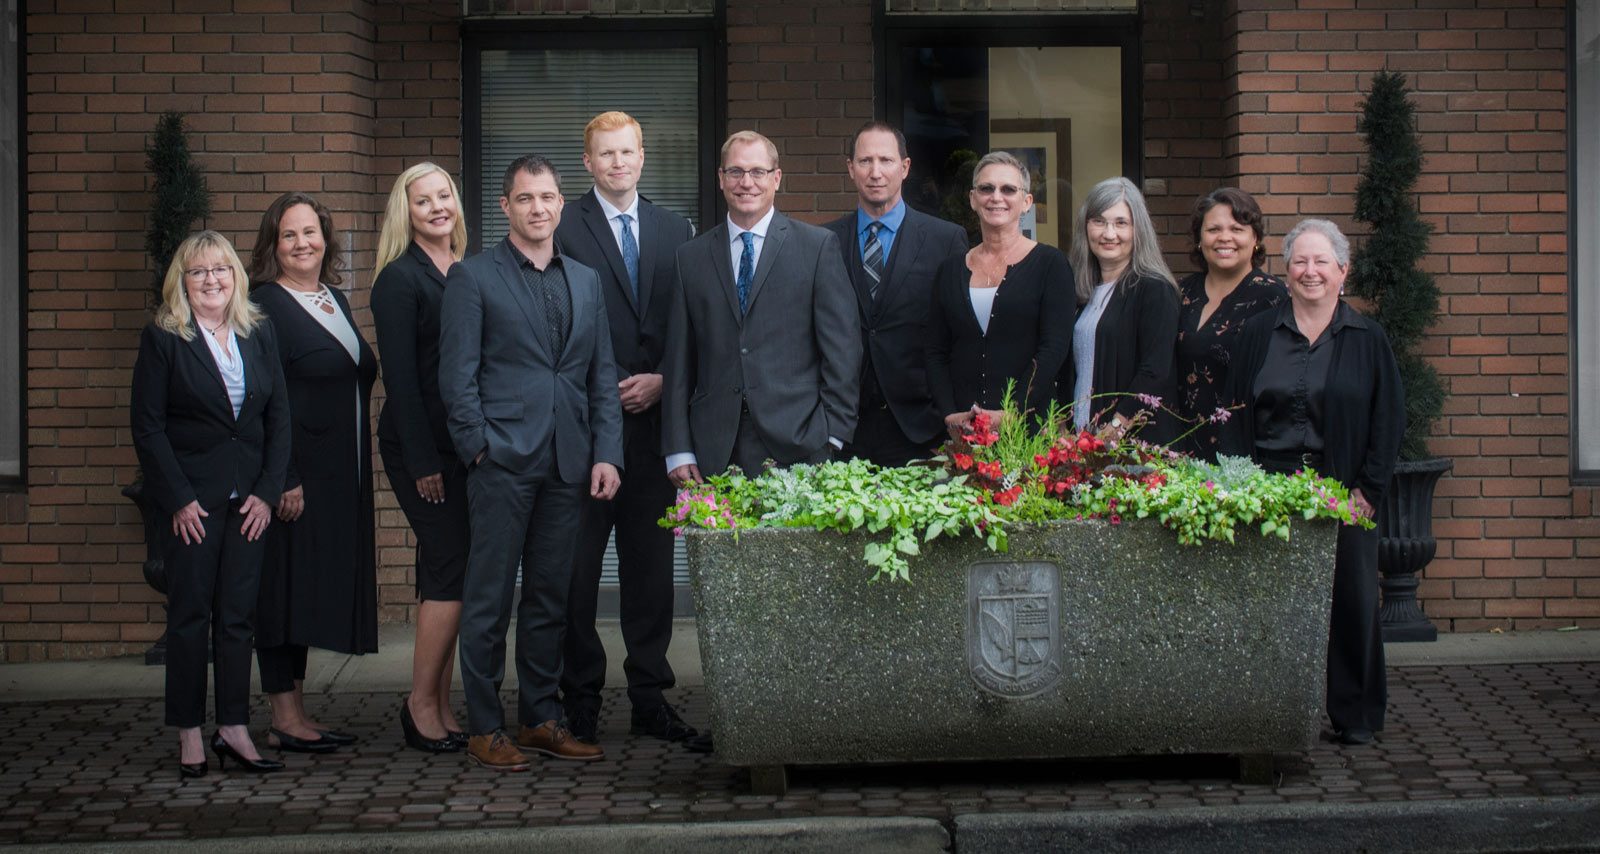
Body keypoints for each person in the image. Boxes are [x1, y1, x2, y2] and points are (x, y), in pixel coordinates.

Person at [439, 154, 624, 772]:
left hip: (569, 462)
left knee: (550, 597)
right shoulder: (474, 277)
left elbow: (601, 377)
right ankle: (485, 726)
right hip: (502, 462)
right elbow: (456, 377)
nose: (538, 209)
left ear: (560, 203)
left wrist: (607, 454)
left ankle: (541, 718)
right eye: (525, 199)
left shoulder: (586, 278)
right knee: (489, 598)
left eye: (547, 198)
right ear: (505, 207)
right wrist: (479, 448)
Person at [552, 112, 705, 751]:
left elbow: (698, 326)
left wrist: (664, 380)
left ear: (644, 157)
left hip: (656, 435)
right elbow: (554, 321)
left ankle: (650, 699)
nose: (618, 163)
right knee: (577, 575)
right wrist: (617, 383)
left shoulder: (679, 231)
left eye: (628, 152)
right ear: (587, 163)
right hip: (587, 432)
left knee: (650, 574)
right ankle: (579, 701)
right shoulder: (562, 226)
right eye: (605, 154)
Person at [1220, 218, 1404, 746]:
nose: (1310, 271)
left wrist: (1368, 492)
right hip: (1268, 489)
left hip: (1343, 491)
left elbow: (1388, 420)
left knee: (1351, 600)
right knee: (1268, 605)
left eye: (1322, 261)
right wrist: (1241, 486)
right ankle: (1265, 713)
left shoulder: (1368, 338)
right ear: (1285, 270)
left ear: (1343, 271)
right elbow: (1233, 412)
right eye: (1300, 261)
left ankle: (1355, 715)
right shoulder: (1258, 333)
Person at [131, 230, 289, 777]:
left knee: (238, 619)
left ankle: (235, 728)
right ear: (183, 280)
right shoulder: (164, 338)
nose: (211, 280)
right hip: (192, 505)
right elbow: (148, 429)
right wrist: (177, 500)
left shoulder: (256, 332)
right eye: (198, 271)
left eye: (220, 269)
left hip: (249, 502)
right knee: (190, 617)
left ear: (236, 276)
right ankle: (190, 734)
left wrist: (268, 492)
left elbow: (278, 420)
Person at [248, 192, 379, 754]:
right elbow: (262, 400)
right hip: (295, 477)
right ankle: (283, 717)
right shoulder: (264, 306)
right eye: (289, 235)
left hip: (339, 476)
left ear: (326, 238)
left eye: (311, 232)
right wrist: (285, 476)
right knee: (281, 592)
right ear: (272, 246)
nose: (303, 243)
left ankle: (297, 713)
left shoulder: (333, 300)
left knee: (303, 592)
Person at [661, 130, 861, 483]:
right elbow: (679, 361)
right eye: (736, 172)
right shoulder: (689, 258)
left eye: (758, 172)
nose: (746, 182)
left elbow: (842, 350)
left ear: (777, 178)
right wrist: (678, 447)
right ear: (721, 179)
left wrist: (832, 433)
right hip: (715, 448)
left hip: (801, 444)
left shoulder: (816, 248)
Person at [371, 163, 471, 754]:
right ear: (403, 213)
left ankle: (437, 698)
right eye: (422, 200)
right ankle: (419, 704)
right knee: (448, 566)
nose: (437, 207)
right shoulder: (397, 280)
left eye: (444, 196)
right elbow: (401, 382)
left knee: (449, 569)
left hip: (464, 446)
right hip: (421, 448)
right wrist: (423, 462)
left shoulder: (467, 269)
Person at [826, 121, 969, 466]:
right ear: (850, 169)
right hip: (845, 427)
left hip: (921, 426)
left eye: (886, 161)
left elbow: (958, 332)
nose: (875, 172)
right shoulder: (825, 242)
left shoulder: (945, 240)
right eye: (865, 161)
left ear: (905, 168)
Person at [926, 150, 1073, 436]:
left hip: (1030, 431)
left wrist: (1014, 410)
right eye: (986, 188)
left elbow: (1053, 349)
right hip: (965, 432)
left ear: (1026, 201)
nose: (996, 197)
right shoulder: (949, 270)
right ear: (972, 198)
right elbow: (935, 351)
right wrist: (949, 413)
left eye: (1008, 189)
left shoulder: (1051, 265)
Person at [1060, 177, 1180, 442]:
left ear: (1139, 229)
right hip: (1083, 441)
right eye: (1099, 221)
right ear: (1086, 227)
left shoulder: (1154, 290)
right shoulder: (1080, 292)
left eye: (1121, 223)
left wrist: (1116, 426)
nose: (1109, 233)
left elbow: (1155, 371)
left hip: (1131, 445)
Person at [1174, 188, 1285, 458]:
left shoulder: (1272, 296)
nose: (1225, 238)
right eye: (1213, 229)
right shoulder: (1181, 291)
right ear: (1199, 239)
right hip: (1178, 447)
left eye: (1237, 228)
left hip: (1241, 452)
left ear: (1255, 238)